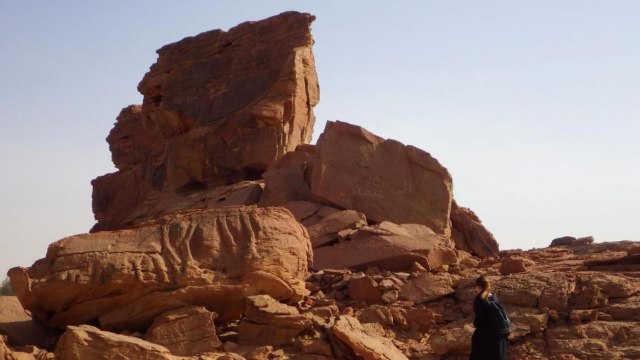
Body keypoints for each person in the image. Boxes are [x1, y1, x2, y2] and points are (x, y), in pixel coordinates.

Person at [469, 276, 508, 360]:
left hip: (488, 335)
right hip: (500, 333)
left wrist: (474, 324)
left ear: (478, 287)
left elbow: (480, 320)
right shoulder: (493, 296)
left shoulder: (480, 299)